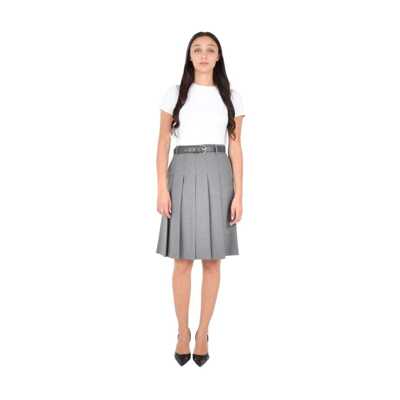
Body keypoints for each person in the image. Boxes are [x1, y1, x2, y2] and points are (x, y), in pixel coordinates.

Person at [155, 32, 245, 366]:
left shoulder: (231, 97)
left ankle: (203, 333)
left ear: (218, 56)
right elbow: (163, 142)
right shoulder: (174, 94)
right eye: (197, 50)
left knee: (212, 260)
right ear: (189, 56)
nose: (204, 55)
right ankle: (182, 332)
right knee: (182, 260)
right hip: (181, 171)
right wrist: (161, 188)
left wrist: (239, 193)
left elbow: (236, 146)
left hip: (218, 172)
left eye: (210, 50)